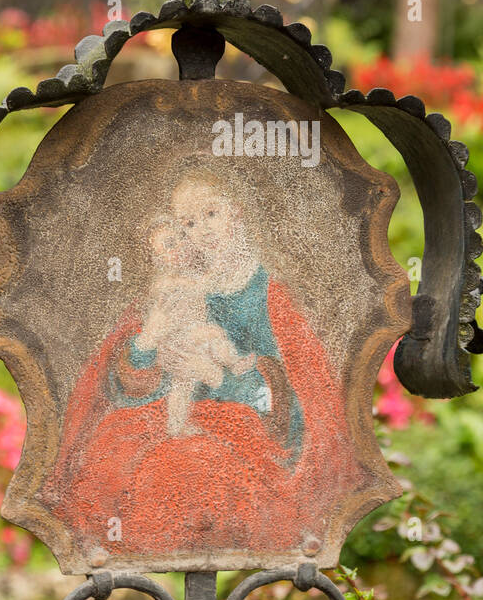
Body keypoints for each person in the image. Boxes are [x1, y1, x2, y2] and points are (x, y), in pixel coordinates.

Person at [41, 172, 364, 561]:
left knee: (182, 464)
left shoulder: (270, 294)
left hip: (248, 432)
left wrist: (219, 378)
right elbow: (128, 382)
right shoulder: (177, 287)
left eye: (211, 213)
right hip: (173, 414)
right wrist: (149, 348)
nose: (201, 230)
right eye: (189, 223)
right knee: (112, 441)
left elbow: (300, 401)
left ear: (237, 211)